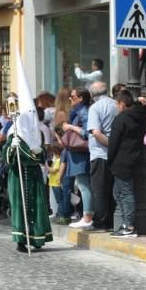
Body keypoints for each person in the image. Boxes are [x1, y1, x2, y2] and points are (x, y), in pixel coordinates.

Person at [3, 75, 54, 253]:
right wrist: (12, 149)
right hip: (19, 175)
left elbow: (41, 154)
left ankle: (37, 238)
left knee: (37, 205)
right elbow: (8, 158)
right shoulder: (14, 132)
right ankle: (21, 240)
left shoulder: (37, 133)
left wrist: (38, 154)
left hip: (34, 175)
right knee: (20, 206)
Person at [107, 88, 146, 238]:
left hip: (122, 160)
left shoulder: (120, 119)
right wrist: (145, 108)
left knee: (125, 193)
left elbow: (113, 142)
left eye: (117, 104)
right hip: (137, 157)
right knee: (118, 192)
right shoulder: (139, 116)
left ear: (121, 104)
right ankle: (126, 223)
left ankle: (129, 225)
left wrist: (110, 160)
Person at [87, 81, 117, 230]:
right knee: (113, 190)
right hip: (116, 155)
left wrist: (110, 145)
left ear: (92, 95)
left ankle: (101, 222)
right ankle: (112, 220)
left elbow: (96, 132)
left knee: (100, 190)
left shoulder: (95, 108)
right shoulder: (116, 104)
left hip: (100, 154)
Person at [64, 88, 94, 229]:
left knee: (83, 185)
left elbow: (88, 132)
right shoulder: (78, 111)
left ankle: (87, 217)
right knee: (83, 185)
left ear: (81, 98)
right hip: (77, 153)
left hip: (81, 153)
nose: (70, 99)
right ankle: (87, 215)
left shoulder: (83, 111)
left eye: (73, 96)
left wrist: (70, 127)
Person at [47, 145, 67, 224]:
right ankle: (59, 214)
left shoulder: (58, 160)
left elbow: (53, 170)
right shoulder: (57, 160)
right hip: (54, 183)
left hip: (56, 183)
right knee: (59, 200)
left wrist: (46, 166)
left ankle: (61, 215)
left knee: (59, 200)